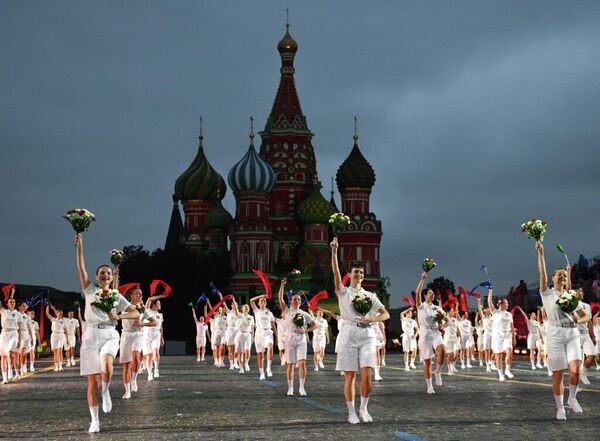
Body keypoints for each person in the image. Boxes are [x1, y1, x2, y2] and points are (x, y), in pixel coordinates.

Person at [75, 233, 139, 433]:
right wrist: (80, 246)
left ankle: (107, 390)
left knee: (106, 364)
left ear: (112, 278)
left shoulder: (116, 295)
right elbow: (81, 268)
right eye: (102, 273)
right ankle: (95, 420)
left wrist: (119, 317)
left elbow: (135, 311)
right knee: (92, 381)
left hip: (110, 334)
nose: (105, 275)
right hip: (90, 335)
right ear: (96, 277)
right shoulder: (89, 291)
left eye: (108, 273)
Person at [330, 237, 390, 424]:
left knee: (368, 374)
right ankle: (351, 412)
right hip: (349, 334)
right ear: (351, 274)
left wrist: (371, 318)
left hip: (367, 335)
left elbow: (385, 314)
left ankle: (363, 408)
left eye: (361, 273)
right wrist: (334, 252)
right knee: (350, 375)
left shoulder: (369, 295)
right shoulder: (344, 292)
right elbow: (335, 272)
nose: (359, 275)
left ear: (364, 276)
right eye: (356, 272)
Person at [535, 240, 588, 420]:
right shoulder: (547, 293)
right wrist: (541, 253)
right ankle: (560, 408)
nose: (562, 277)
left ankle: (572, 398)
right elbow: (542, 271)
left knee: (575, 369)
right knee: (557, 374)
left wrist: (576, 318)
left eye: (564, 276)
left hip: (572, 333)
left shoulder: (570, 296)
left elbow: (584, 317)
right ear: (552, 278)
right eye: (559, 275)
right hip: (555, 334)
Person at [277, 278, 317, 397]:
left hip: (301, 339)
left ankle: (302, 387)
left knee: (302, 362)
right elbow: (280, 299)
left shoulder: (304, 314)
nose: (297, 301)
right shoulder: (287, 311)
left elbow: (315, 325)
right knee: (290, 364)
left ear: (301, 301)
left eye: (299, 299)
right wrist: (282, 286)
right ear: (291, 301)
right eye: (294, 299)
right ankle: (290, 388)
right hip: (290, 337)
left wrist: (306, 330)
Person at [120, 286, 156, 398]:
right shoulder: (124, 305)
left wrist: (143, 324)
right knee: (127, 364)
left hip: (138, 335)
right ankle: (127, 391)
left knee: (136, 356)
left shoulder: (143, 309)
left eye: (141, 294)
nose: (140, 296)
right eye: (137, 293)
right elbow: (116, 293)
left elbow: (154, 322)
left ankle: (134, 379)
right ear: (131, 295)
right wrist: (116, 276)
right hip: (126, 335)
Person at [414, 271, 446, 394]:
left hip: (435, 332)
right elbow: (417, 293)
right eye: (430, 294)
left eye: (433, 294)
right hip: (425, 333)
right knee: (427, 361)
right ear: (425, 296)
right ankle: (429, 386)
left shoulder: (437, 308)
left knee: (442, 350)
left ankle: (437, 371)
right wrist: (422, 279)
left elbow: (447, 320)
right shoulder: (421, 306)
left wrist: (444, 325)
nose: (432, 295)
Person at [487, 289, 516, 381]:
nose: (507, 305)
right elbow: (489, 301)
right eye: (506, 303)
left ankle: (507, 370)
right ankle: (500, 374)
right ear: (501, 304)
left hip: (507, 335)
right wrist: (490, 291)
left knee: (509, 352)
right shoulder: (495, 312)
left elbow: (512, 326)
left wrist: (514, 337)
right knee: (498, 355)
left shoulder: (509, 314)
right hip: (497, 336)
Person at [250, 294, 276, 379]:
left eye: (264, 301)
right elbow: (251, 300)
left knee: (270, 346)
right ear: (258, 303)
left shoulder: (270, 313)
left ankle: (268, 368)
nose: (263, 302)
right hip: (259, 333)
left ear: (266, 303)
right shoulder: (256, 311)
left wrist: (277, 335)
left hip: (268, 331)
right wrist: (262, 295)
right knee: (260, 355)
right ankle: (262, 373)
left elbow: (273, 325)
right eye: (261, 301)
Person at [573, 287, 595, 385]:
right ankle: (575, 384)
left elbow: (589, 321)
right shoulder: (571, 304)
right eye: (579, 291)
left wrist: (593, 336)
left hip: (585, 333)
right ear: (574, 292)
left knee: (592, 356)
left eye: (582, 291)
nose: (582, 292)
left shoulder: (587, 306)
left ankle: (583, 373)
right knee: (577, 360)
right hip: (575, 334)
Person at [1, 289, 21, 384]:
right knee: (3, 357)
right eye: (10, 302)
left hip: (14, 333)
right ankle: (5, 378)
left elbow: (20, 328)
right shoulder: (3, 311)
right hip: (4, 334)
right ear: (7, 303)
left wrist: (20, 339)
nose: (12, 303)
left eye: (14, 302)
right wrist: (11, 293)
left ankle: (10, 370)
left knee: (9, 350)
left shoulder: (18, 314)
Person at [142, 296, 164, 380]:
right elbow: (149, 299)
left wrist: (162, 337)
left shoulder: (160, 315)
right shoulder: (147, 311)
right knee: (149, 355)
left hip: (156, 334)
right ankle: (149, 373)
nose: (160, 305)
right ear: (154, 305)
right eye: (159, 303)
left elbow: (161, 327)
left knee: (156, 352)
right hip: (147, 334)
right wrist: (161, 295)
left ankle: (156, 370)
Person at [233, 302, 254, 374]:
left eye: (247, 308)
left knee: (247, 351)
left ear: (248, 309)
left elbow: (252, 327)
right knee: (240, 352)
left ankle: (246, 363)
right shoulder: (239, 315)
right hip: (240, 334)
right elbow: (236, 310)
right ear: (242, 309)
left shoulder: (251, 317)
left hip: (248, 335)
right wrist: (233, 300)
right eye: (244, 308)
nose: (246, 309)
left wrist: (253, 337)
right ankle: (241, 368)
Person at [46, 304, 68, 372]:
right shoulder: (53, 319)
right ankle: (56, 366)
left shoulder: (63, 321)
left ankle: (60, 365)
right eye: (59, 313)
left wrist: (66, 339)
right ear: (57, 314)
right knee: (55, 351)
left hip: (61, 336)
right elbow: (47, 314)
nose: (60, 314)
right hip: (54, 336)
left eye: (61, 313)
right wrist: (47, 307)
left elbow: (66, 331)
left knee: (60, 350)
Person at [17, 302, 33, 375]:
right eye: (23, 306)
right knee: (20, 353)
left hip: (25, 334)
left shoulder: (27, 316)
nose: (24, 307)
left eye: (25, 306)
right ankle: (20, 367)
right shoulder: (16, 314)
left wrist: (31, 337)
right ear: (19, 307)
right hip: (17, 334)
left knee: (25, 353)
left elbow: (29, 328)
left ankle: (23, 366)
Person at [443, 309, 460, 374]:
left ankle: (452, 365)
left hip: (455, 338)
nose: (453, 312)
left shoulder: (455, 319)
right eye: (452, 311)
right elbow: (443, 326)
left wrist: (460, 337)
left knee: (456, 354)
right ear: (448, 312)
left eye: (453, 311)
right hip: (448, 338)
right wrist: (447, 322)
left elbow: (457, 329)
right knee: (449, 355)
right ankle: (449, 370)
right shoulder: (445, 319)